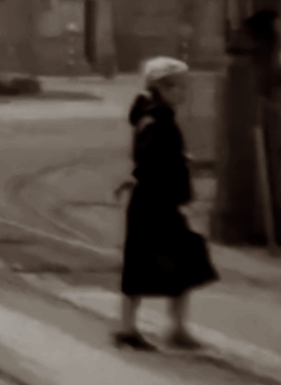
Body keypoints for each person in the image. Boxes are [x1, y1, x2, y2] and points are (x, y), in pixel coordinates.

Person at [112, 56, 217, 351]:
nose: (184, 92)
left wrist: (176, 162)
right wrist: (146, 174)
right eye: (180, 87)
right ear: (163, 87)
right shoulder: (158, 119)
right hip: (156, 204)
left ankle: (140, 327)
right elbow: (150, 157)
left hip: (152, 202)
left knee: (161, 262)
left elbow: (152, 157)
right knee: (180, 260)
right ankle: (155, 328)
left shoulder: (151, 115)